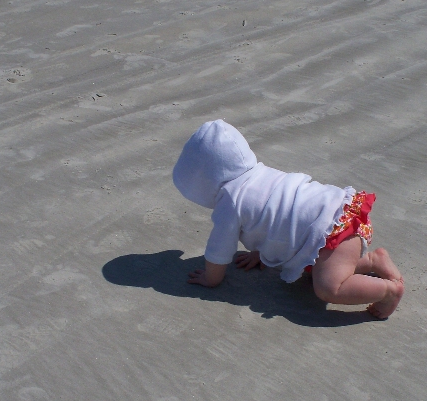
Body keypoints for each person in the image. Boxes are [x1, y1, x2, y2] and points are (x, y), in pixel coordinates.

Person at [172, 120, 403, 319]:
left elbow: (219, 249)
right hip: (343, 213)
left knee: (329, 287)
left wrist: (211, 278)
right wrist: (262, 253)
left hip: (331, 231)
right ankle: (372, 260)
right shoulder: (261, 173)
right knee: (317, 269)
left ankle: (388, 291)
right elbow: (278, 215)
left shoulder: (229, 202)